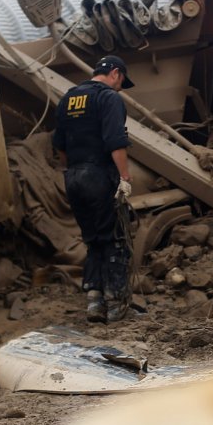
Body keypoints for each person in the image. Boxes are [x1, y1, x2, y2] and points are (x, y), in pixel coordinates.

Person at [52, 55, 134, 323]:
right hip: (99, 175)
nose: (120, 88)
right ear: (115, 73)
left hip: (74, 177)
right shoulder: (108, 97)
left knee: (93, 240)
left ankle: (94, 302)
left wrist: (74, 170)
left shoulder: (69, 98)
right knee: (115, 238)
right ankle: (115, 301)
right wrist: (124, 177)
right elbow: (115, 141)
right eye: (121, 82)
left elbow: (60, 145)